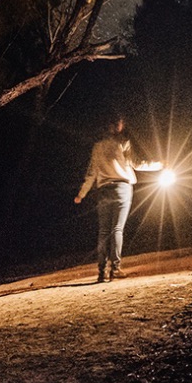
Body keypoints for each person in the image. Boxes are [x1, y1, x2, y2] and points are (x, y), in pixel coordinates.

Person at [74, 115, 142, 283]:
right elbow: (138, 164)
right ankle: (115, 269)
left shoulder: (97, 147)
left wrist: (81, 194)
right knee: (117, 229)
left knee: (103, 231)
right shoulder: (123, 143)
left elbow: (91, 174)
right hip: (122, 188)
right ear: (117, 126)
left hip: (104, 190)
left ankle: (101, 271)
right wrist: (160, 164)